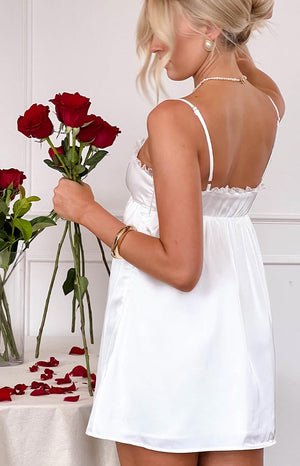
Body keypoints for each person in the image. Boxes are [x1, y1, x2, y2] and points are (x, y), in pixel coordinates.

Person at [52, 0, 285, 465]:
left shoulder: (176, 118)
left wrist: (87, 211)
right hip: (235, 336)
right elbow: (239, 52)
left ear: (209, 28)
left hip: (163, 335)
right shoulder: (269, 102)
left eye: (161, 31)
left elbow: (181, 268)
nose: (155, 46)